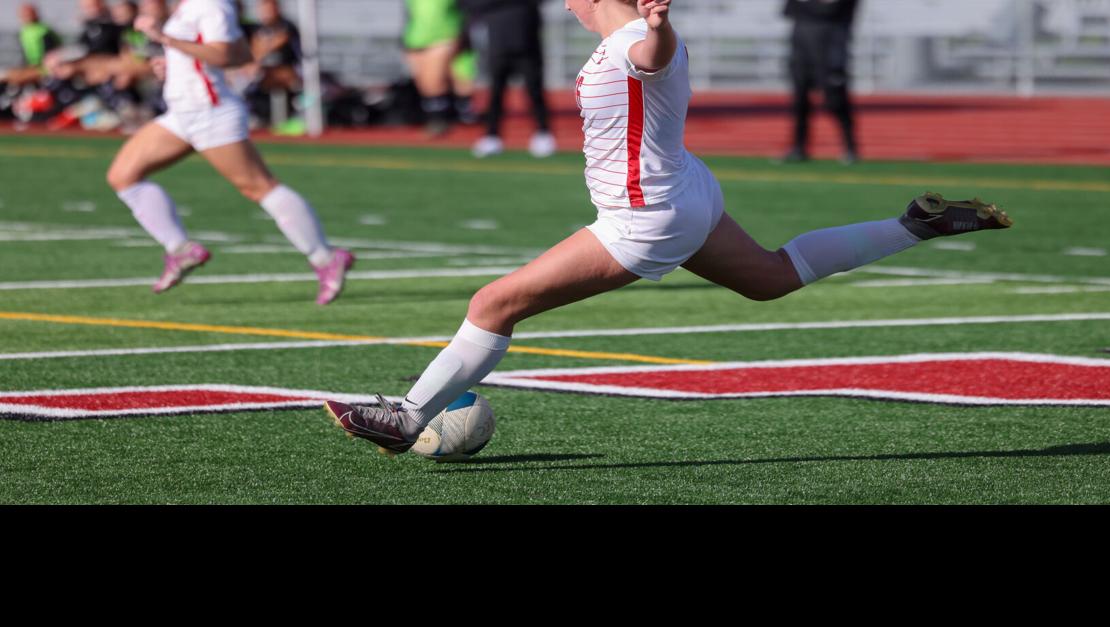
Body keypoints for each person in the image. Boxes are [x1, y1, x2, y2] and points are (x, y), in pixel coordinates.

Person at [324, 0, 1010, 454]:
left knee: (493, 304)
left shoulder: (633, 41)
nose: (565, 3)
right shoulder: (623, 39)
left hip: (646, 216)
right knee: (771, 278)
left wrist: (657, 26)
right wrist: (651, 30)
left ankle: (410, 416)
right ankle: (911, 226)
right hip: (686, 191)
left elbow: (651, 58)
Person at [104, 0, 353, 302]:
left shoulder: (211, 5)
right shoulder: (189, 6)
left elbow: (222, 55)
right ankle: (181, 250)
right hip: (183, 113)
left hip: (210, 111)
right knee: (123, 176)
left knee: (258, 186)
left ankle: (325, 258)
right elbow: (241, 54)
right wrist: (173, 62)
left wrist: (165, 39)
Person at [460, 0, 554, 158]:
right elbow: (469, 5)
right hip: (498, 45)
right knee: (495, 94)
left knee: (535, 91)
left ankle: (543, 133)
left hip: (527, 43)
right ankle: (492, 135)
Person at [781, 0, 858, 165]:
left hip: (829, 53)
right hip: (801, 52)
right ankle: (798, 148)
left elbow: (831, 10)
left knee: (835, 101)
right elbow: (788, 10)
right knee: (800, 103)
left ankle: (850, 148)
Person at [403, 0, 462, 136]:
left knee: (435, 81)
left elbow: (464, 12)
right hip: (415, 38)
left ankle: (442, 120)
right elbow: (409, 15)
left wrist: (460, 37)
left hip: (443, 35)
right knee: (424, 85)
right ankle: (434, 119)